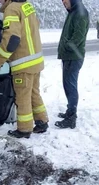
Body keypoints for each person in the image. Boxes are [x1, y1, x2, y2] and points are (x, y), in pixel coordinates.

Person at [0, 0, 49, 138]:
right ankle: (42, 121)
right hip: (35, 61)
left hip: (23, 63)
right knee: (34, 93)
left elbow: (12, 39)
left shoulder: (12, 9)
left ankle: (24, 129)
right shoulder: (27, 5)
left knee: (22, 98)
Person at [55, 0, 89, 129]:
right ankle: (70, 111)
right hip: (69, 56)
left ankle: (71, 118)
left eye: (65, 0)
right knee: (67, 85)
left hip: (73, 57)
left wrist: (67, 46)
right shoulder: (73, 11)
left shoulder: (80, 13)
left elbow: (77, 38)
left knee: (70, 86)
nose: (63, 2)